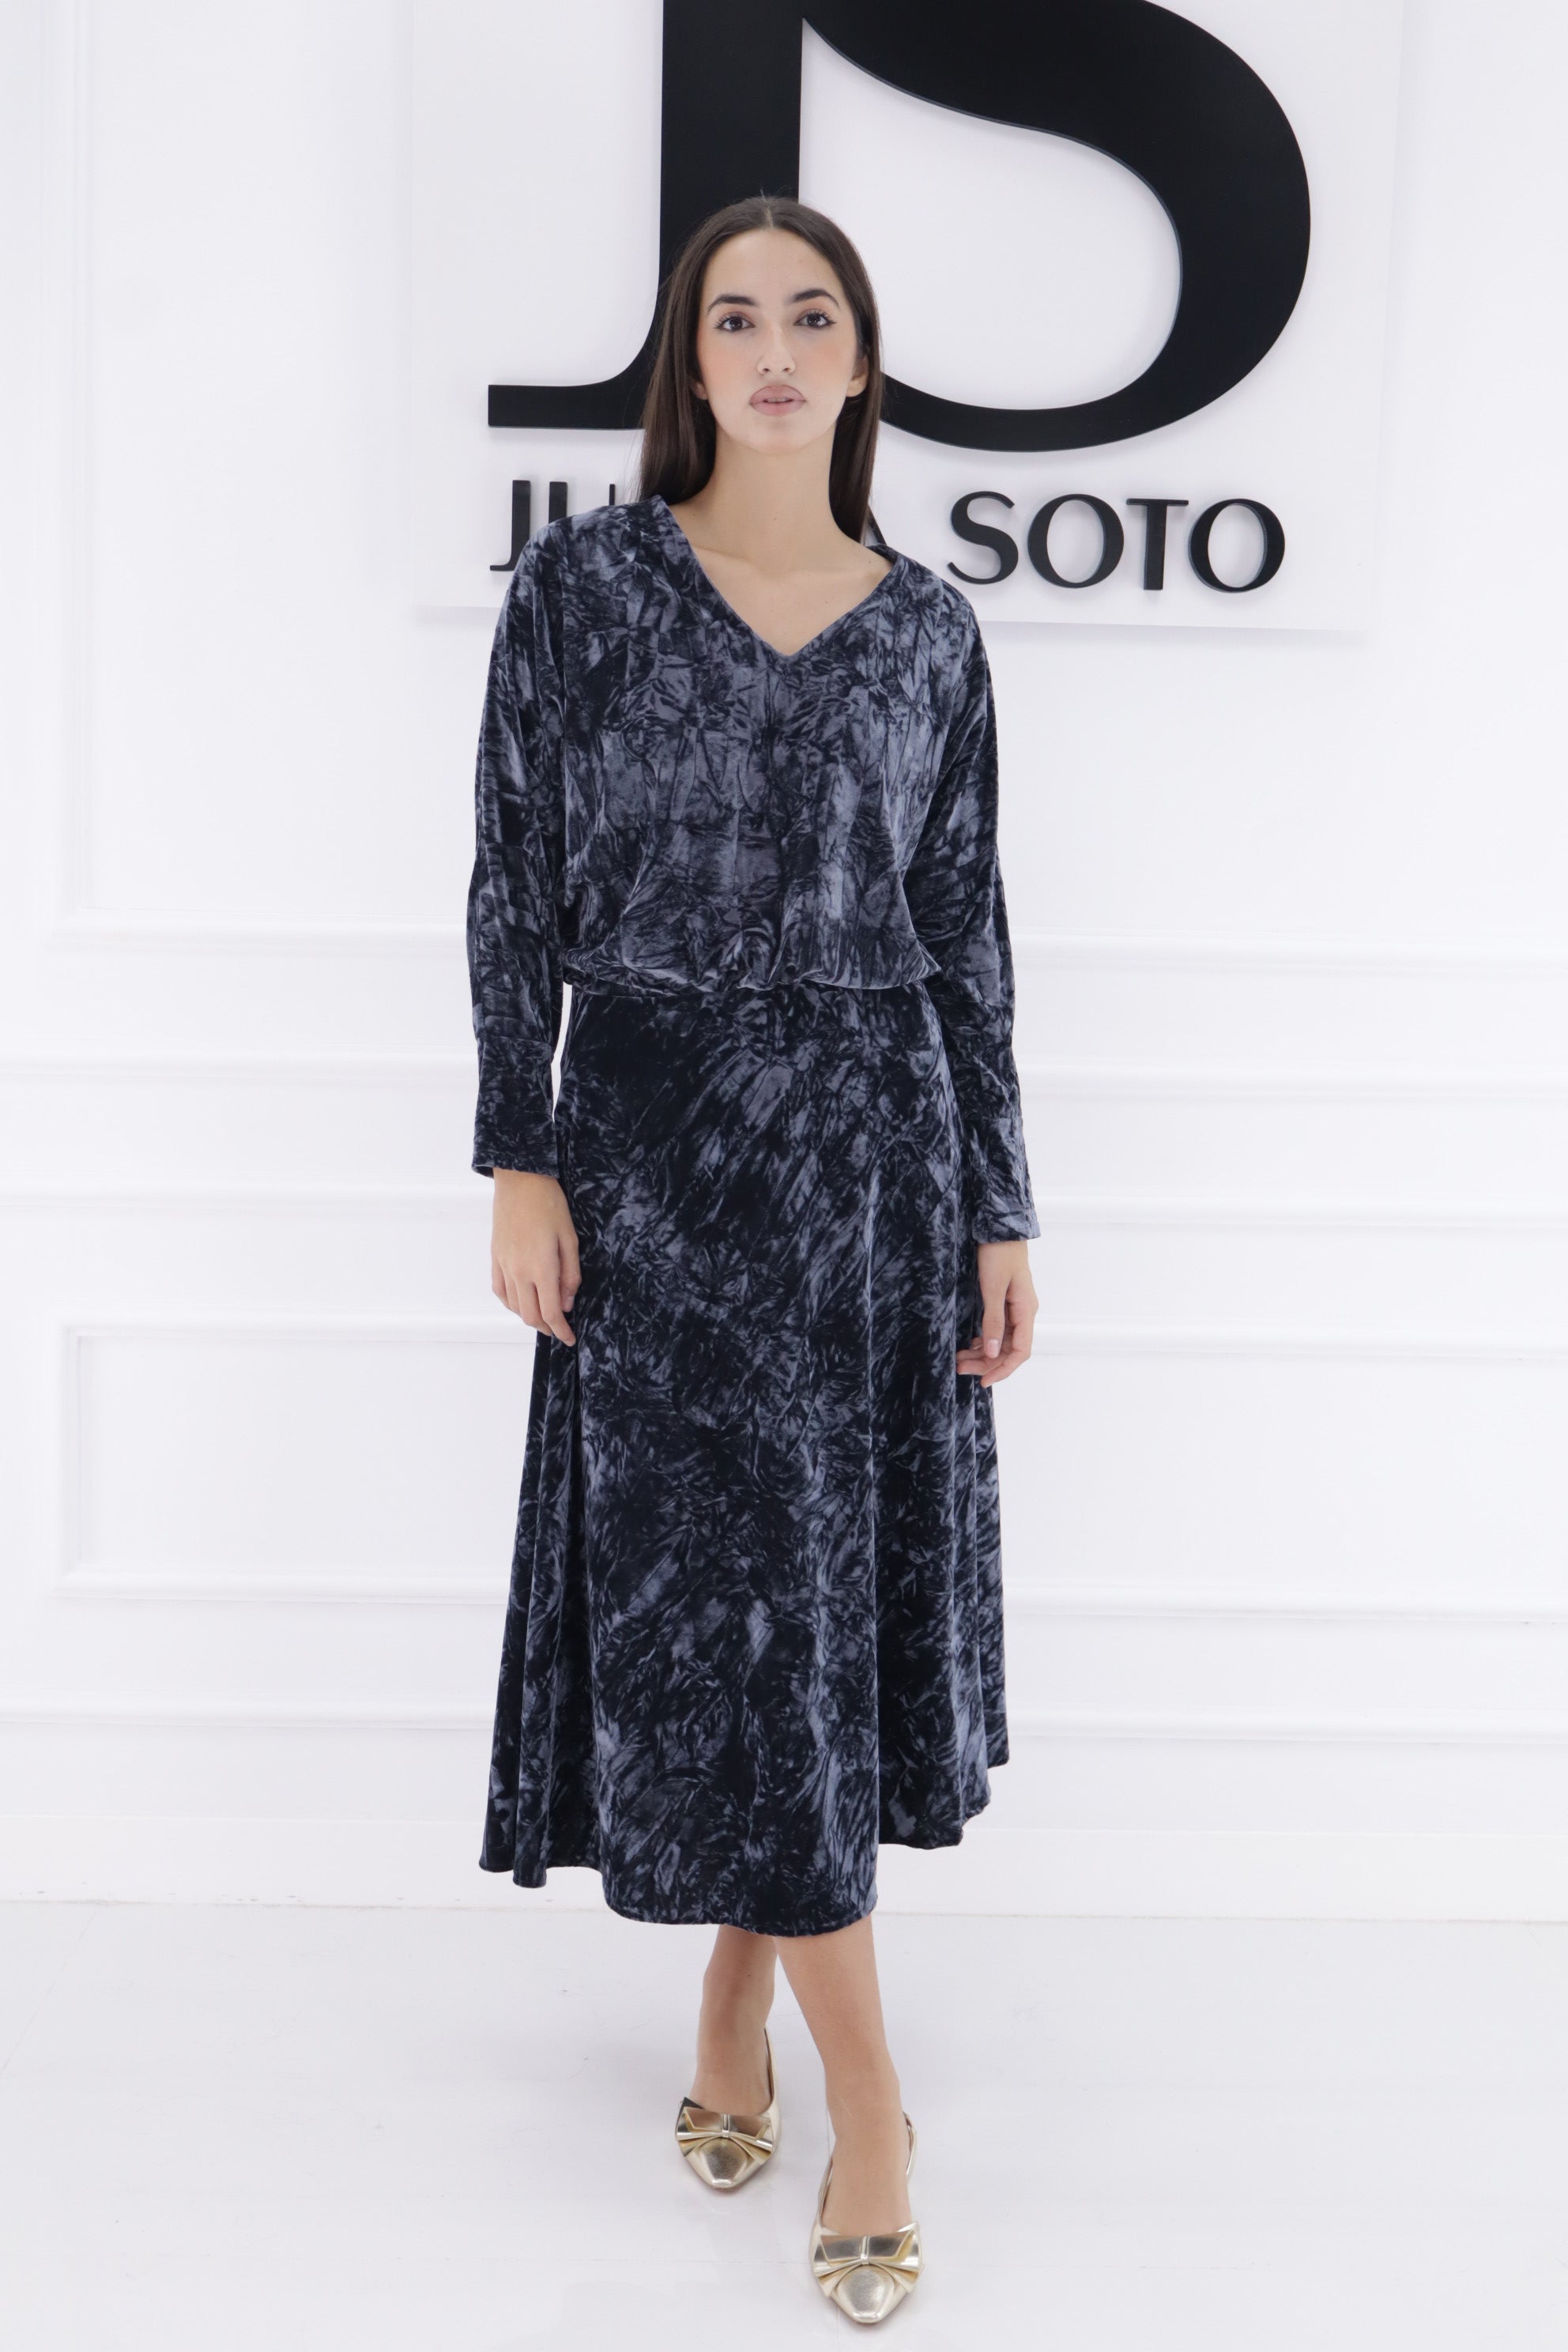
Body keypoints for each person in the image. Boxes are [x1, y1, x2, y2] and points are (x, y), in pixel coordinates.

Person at [466, 194, 1038, 2326]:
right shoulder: (588, 591)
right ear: (689, 362)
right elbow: (509, 879)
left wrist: (1000, 1205)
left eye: (812, 317)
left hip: (874, 1172)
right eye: (736, 319)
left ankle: (754, 2014)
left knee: (809, 1609)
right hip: (650, 1167)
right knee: (720, 1608)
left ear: (861, 362)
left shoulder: (933, 635)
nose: (776, 350)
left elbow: (968, 940)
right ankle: (870, 2095)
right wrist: (518, 1158)